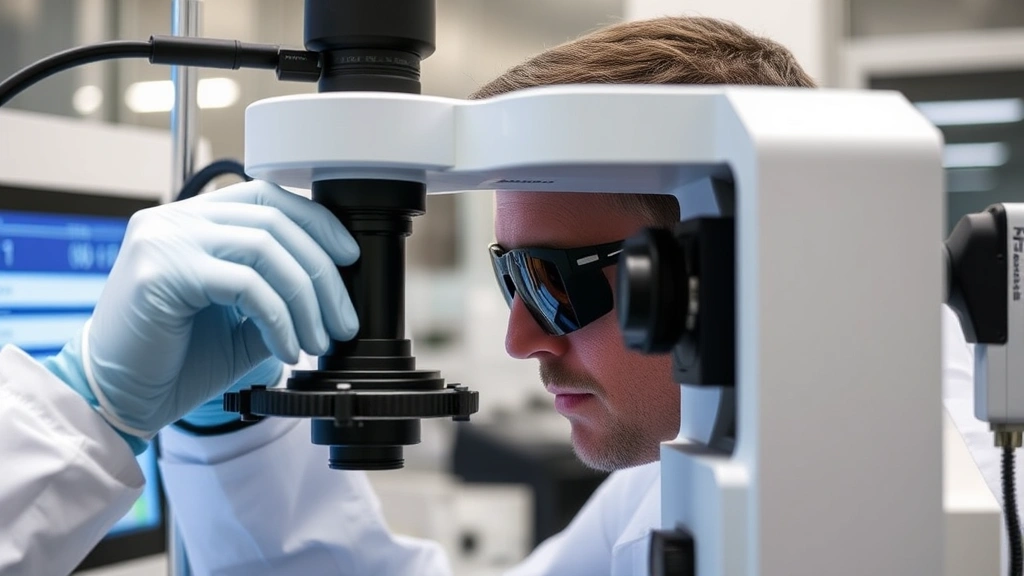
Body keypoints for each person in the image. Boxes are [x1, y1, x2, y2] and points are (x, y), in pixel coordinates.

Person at [0, 15, 1000, 576]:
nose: (520, 338)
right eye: (505, 275)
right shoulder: (683, 477)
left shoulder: (924, 517)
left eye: (558, 285)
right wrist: (220, 429)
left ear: (743, 263)